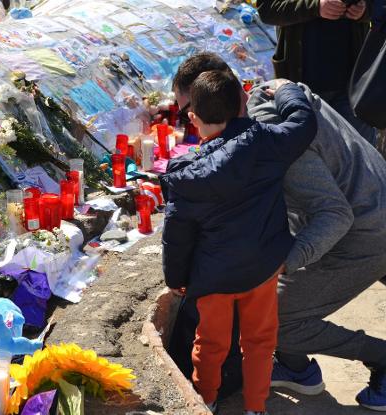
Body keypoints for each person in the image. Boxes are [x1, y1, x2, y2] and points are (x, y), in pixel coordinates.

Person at [171, 52, 386, 412]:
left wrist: (281, 264)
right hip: (367, 207)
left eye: (190, 111)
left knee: (273, 316)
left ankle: (380, 358)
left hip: (366, 230)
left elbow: (333, 215)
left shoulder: (266, 137)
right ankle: (296, 368)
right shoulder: (272, 93)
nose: (191, 122)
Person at [161, 69, 317, 415]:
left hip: (213, 276)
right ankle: (256, 407)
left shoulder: (186, 174)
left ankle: (206, 399)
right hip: (262, 268)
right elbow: (304, 122)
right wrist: (287, 89)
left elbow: (177, 234)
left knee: (210, 343)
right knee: (260, 342)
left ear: (192, 117)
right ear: (243, 105)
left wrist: (177, 280)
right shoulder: (267, 143)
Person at [257, 0, 377, 145]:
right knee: (312, 157)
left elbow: (379, 6)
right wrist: (314, 7)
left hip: (355, 87)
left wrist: (364, 11)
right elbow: (267, 10)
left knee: (363, 158)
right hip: (304, 86)